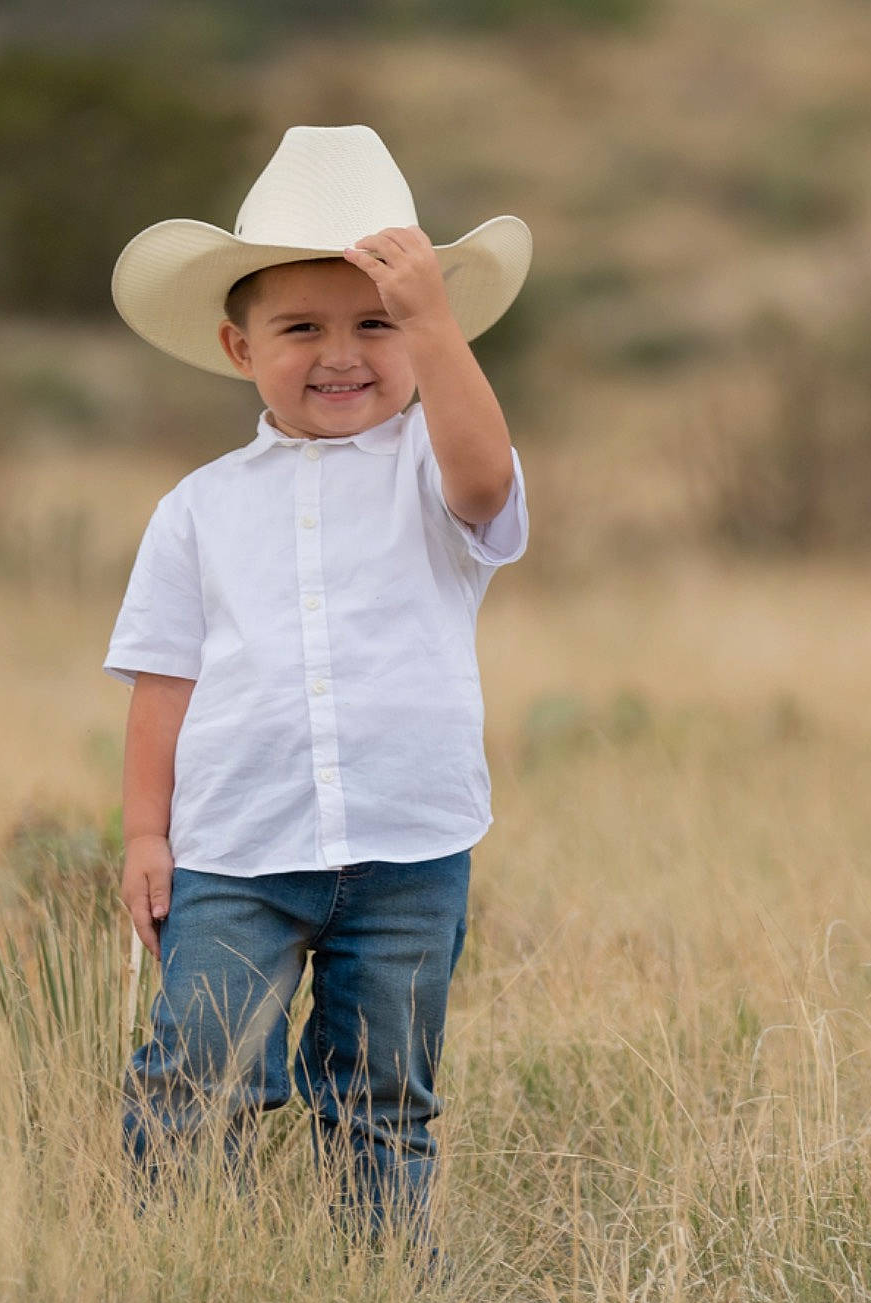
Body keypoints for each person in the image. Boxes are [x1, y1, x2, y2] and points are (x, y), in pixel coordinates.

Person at [101, 124, 532, 1241]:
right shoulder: (198, 506)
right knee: (199, 1074)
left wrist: (436, 323)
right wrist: (149, 836)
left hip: (407, 849)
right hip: (236, 851)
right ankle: (180, 1274)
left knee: (385, 1096)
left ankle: (380, 1291)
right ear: (240, 348)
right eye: (301, 327)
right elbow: (162, 681)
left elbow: (489, 479)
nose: (341, 353)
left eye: (377, 325)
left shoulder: (436, 478)